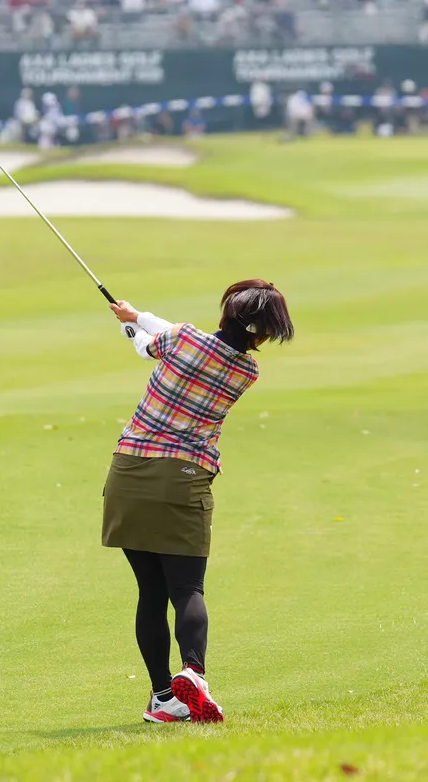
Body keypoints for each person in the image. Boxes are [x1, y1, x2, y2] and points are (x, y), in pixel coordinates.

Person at [104, 281, 295, 724]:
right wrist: (136, 316)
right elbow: (183, 338)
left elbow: (152, 345)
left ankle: (162, 698)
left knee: (151, 593)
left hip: (127, 472)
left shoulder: (184, 338)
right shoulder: (246, 371)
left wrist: (133, 329)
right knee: (187, 588)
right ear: (263, 334)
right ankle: (193, 672)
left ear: (226, 313)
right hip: (183, 478)